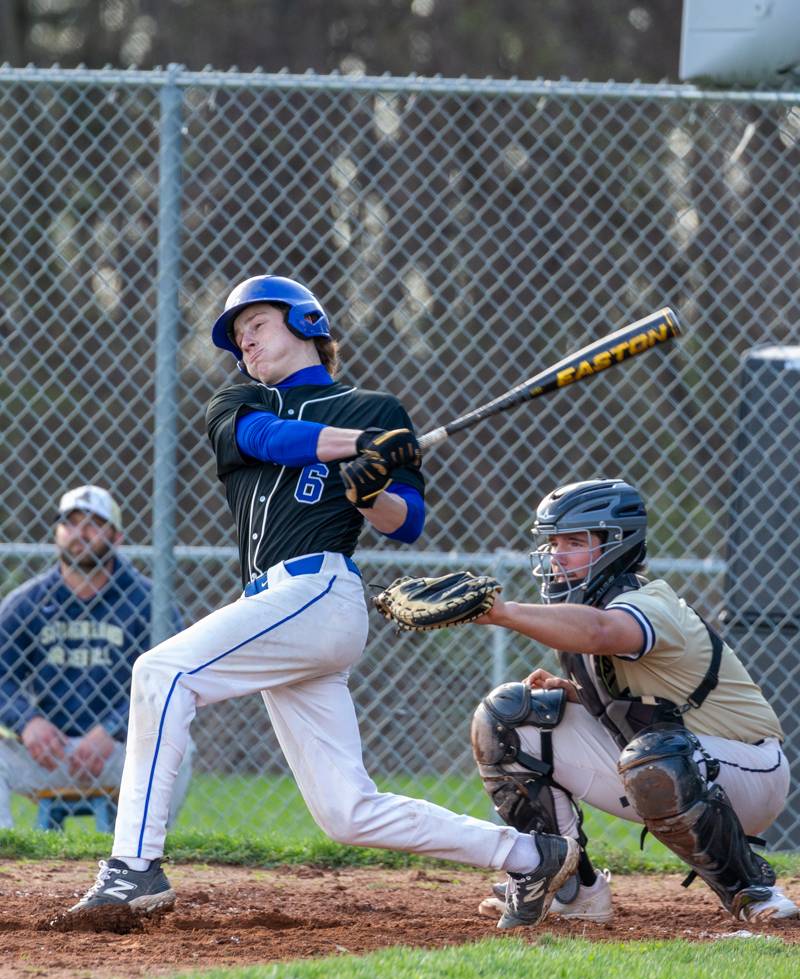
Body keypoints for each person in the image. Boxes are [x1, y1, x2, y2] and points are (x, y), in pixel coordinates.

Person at [66, 273, 578, 929]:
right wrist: (354, 447)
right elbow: (266, 440)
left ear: (307, 322)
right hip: (278, 608)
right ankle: (533, 854)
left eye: (259, 324)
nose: (244, 340)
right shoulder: (238, 401)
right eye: (236, 334)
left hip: (319, 591)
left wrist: (369, 491)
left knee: (160, 673)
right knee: (345, 812)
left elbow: (405, 521)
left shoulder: (377, 409)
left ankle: (133, 867)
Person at [470, 477, 798, 925]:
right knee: (508, 716)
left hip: (750, 770)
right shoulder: (582, 611)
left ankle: (755, 894)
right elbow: (641, 698)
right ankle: (571, 887)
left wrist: (501, 613)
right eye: (552, 543)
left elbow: (605, 631)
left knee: (655, 754)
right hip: (669, 762)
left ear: (616, 544)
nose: (555, 556)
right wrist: (577, 695)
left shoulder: (649, 601)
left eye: (574, 542)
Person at [0, 485, 192, 832]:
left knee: (180, 745)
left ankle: (144, 849)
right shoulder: (28, 601)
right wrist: (27, 722)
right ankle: (7, 860)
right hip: (48, 751)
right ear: (57, 533)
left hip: (122, 752)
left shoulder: (147, 601)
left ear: (116, 536)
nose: (81, 533)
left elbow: (171, 678)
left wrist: (114, 730)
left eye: (94, 523)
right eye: (71, 523)